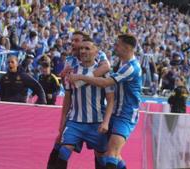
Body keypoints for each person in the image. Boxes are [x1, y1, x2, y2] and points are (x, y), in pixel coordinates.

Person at [69, 34, 142, 169]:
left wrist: (80, 77)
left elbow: (105, 82)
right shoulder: (120, 62)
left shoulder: (131, 67)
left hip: (126, 115)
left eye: (117, 45)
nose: (115, 47)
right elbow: (98, 55)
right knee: (108, 154)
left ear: (126, 48)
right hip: (114, 111)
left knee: (111, 155)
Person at [47, 38, 114, 169]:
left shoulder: (105, 72)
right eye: (81, 48)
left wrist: (106, 122)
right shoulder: (71, 71)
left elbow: (111, 99)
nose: (83, 51)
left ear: (96, 52)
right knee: (63, 151)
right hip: (75, 121)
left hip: (96, 122)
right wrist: (63, 121)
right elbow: (67, 98)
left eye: (87, 48)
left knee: (101, 158)